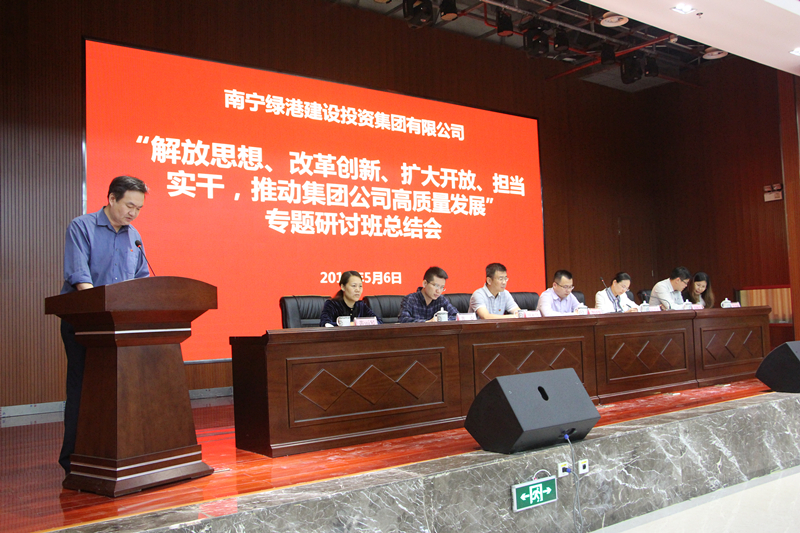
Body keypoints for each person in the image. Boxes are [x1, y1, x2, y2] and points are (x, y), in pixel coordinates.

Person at [59, 175, 150, 474]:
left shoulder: (133, 236)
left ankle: (118, 455)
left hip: (120, 326)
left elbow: (141, 281)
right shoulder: (82, 226)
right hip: (86, 324)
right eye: (129, 205)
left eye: (138, 208)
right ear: (112, 198)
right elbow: (80, 277)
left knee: (121, 391)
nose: (133, 213)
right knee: (84, 389)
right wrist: (101, 310)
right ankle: (75, 460)